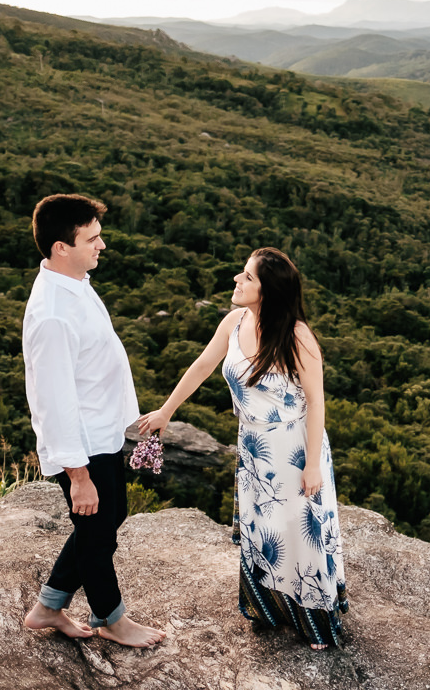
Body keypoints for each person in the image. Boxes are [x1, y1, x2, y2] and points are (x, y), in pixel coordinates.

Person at [137, 247, 348, 649]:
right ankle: (267, 608)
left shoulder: (297, 335)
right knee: (263, 528)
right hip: (253, 445)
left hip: (294, 446)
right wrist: (166, 410)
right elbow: (201, 365)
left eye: (247, 277)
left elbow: (317, 402)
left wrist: (312, 466)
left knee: (299, 531)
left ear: (268, 290)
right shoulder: (234, 322)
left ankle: (316, 623)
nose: (237, 280)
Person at [20, 193, 166, 648]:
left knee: (106, 520)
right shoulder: (53, 315)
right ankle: (111, 618)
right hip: (82, 443)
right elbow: (53, 402)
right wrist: (78, 476)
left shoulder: (75, 281)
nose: (102, 246)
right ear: (61, 247)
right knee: (98, 533)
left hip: (101, 430)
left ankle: (49, 606)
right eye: (93, 239)